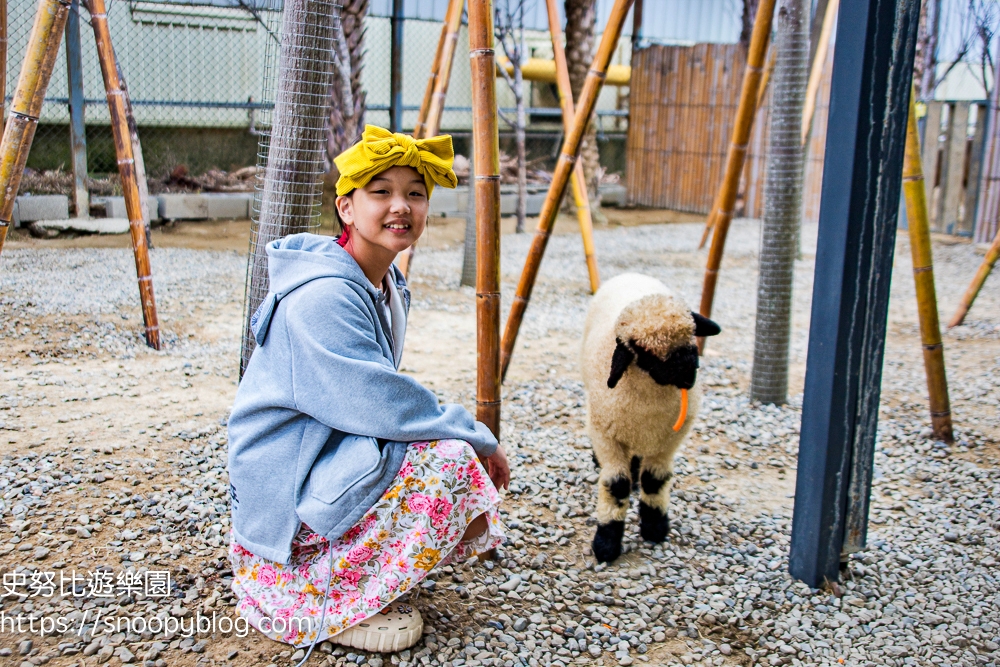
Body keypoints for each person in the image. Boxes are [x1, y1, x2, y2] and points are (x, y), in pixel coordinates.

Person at [227, 125, 510, 654]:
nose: (400, 206)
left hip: (326, 455)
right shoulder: (323, 296)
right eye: (380, 192)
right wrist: (478, 437)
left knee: (448, 458)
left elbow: (377, 402)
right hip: (287, 493)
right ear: (346, 208)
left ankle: (360, 574)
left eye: (415, 193)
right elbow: (379, 399)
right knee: (451, 460)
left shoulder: (382, 282)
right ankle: (324, 592)